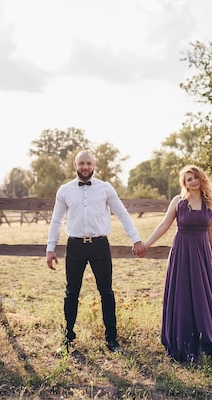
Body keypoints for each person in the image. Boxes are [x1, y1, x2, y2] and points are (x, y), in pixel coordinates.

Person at [46, 150, 147, 353]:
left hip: (100, 246)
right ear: (75, 165)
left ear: (94, 165)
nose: (85, 167)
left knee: (106, 292)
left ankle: (111, 339)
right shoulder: (64, 190)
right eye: (81, 163)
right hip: (74, 246)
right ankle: (67, 337)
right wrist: (50, 247)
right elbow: (57, 220)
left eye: (89, 163)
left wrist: (135, 239)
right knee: (71, 292)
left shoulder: (105, 188)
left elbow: (122, 213)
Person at [141, 165, 212, 362]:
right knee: (181, 295)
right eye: (188, 179)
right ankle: (181, 340)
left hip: (202, 252)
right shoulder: (178, 202)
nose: (193, 181)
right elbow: (164, 225)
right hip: (181, 252)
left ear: (201, 179)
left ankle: (206, 338)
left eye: (195, 177)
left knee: (201, 295)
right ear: (184, 183)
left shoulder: (211, 202)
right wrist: (146, 244)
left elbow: (211, 231)